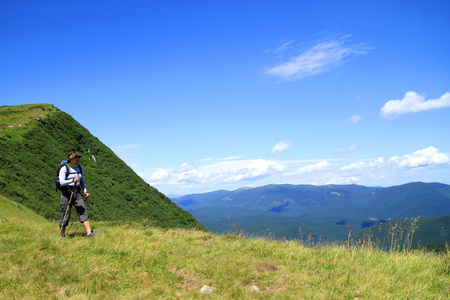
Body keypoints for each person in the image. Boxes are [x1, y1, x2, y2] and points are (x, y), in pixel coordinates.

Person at [59, 151, 97, 238]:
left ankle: (89, 233)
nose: (77, 159)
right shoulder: (64, 169)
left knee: (83, 210)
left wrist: (85, 191)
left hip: (77, 192)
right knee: (65, 213)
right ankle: (62, 235)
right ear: (71, 159)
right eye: (76, 157)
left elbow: (82, 180)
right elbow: (62, 182)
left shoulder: (80, 168)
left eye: (78, 157)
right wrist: (72, 180)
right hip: (66, 192)